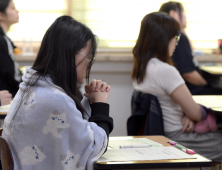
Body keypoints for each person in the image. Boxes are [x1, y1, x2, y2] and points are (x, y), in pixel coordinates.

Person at [2, 16, 113, 170]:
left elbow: (76, 134)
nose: (90, 63)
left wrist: (90, 102)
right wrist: (101, 104)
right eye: (89, 57)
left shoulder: (34, 87)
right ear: (69, 54)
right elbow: (92, 149)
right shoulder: (55, 99)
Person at [132, 12, 222, 162]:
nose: (176, 42)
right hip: (176, 139)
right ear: (163, 39)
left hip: (159, 135)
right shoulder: (165, 70)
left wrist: (187, 115)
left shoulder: (141, 69)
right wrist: (190, 115)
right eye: (175, 37)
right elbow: (197, 115)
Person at [159, 1, 222, 95]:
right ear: (173, 14)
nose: (185, 17)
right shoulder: (178, 38)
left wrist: (181, 27)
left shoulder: (168, 36)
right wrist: (208, 84)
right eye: (183, 13)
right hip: (192, 90)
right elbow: (188, 74)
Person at [0, 0, 22, 97]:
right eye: (12, 8)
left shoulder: (4, 38)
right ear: (1, 15)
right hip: (7, 96)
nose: (17, 11)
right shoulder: (2, 40)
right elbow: (12, 75)